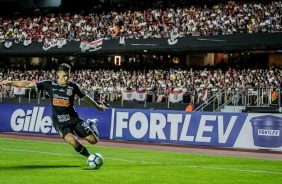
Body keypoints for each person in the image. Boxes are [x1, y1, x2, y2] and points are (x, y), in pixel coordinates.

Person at [0, 63, 107, 158]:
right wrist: (9, 82)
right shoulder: (49, 85)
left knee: (94, 141)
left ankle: (91, 123)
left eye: (68, 76)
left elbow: (85, 97)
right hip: (59, 122)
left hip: (74, 118)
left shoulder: (73, 86)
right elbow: (28, 84)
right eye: (64, 76)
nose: (66, 78)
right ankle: (90, 157)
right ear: (58, 74)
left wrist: (97, 106)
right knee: (73, 142)